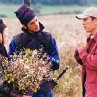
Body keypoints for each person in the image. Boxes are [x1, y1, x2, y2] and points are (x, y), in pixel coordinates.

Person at [8, 5, 60, 97]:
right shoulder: (16, 41)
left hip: (45, 86)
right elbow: (10, 62)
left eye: (36, 20)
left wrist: (45, 67)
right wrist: (23, 69)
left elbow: (55, 56)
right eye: (32, 23)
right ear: (25, 25)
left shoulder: (48, 37)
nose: (36, 24)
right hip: (24, 88)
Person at [74, 7, 97, 97]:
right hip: (89, 89)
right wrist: (78, 52)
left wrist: (82, 52)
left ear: (95, 20)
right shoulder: (90, 39)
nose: (83, 23)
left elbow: (95, 63)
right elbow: (85, 62)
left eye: (85, 19)